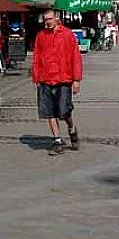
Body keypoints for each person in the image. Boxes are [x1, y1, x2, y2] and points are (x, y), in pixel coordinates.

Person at [32, 9, 82, 155]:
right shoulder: (41, 36)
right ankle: (57, 141)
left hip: (63, 78)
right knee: (49, 112)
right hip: (45, 79)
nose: (47, 22)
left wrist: (76, 80)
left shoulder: (67, 35)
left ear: (57, 18)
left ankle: (72, 129)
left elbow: (75, 57)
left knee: (64, 111)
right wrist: (36, 76)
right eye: (45, 19)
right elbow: (37, 56)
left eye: (50, 19)